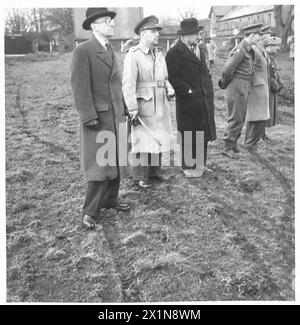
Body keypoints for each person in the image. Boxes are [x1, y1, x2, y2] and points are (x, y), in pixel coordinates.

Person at [70, 8, 130, 230]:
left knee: (116, 160)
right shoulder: (83, 51)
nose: (112, 24)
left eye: (112, 21)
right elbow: (79, 87)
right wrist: (88, 117)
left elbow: (116, 85)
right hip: (98, 119)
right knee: (99, 165)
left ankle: (110, 200)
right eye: (107, 21)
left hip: (116, 115)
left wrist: (124, 107)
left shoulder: (110, 49)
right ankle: (90, 212)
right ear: (94, 26)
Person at [122, 15, 174, 188]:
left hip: (160, 103)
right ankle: (140, 177)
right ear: (143, 34)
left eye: (157, 32)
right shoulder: (133, 55)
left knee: (158, 136)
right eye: (153, 32)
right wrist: (132, 108)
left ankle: (155, 172)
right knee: (142, 139)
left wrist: (169, 87)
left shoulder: (159, 54)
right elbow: (128, 84)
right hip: (143, 103)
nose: (157, 35)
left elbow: (165, 77)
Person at [166, 18, 216, 177]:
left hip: (203, 98)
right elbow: (171, 77)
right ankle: (188, 166)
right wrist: (187, 90)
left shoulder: (199, 49)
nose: (198, 37)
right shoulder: (174, 52)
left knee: (202, 132)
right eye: (196, 34)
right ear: (186, 35)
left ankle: (199, 164)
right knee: (188, 132)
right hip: (188, 101)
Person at [263, 35, 283, 139]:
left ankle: (263, 133)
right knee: (265, 112)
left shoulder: (271, 57)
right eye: (275, 46)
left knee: (268, 111)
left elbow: (276, 71)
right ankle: (260, 134)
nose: (277, 48)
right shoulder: (266, 57)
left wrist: (279, 83)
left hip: (272, 88)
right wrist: (275, 84)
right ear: (269, 46)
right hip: (267, 88)